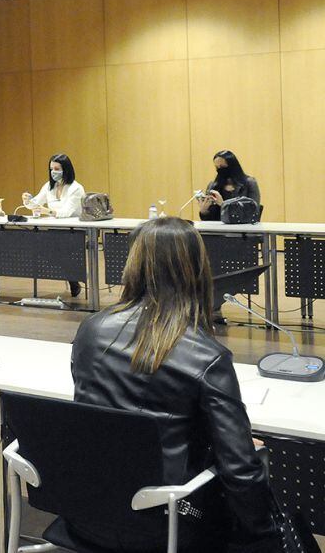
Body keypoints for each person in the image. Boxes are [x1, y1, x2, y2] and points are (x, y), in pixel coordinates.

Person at [70, 217, 281, 551]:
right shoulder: (206, 356)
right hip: (162, 521)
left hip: (84, 510)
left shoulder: (91, 330)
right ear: (197, 269)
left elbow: (109, 416)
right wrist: (268, 534)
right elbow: (240, 471)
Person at [23, 153, 86, 297]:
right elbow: (35, 203)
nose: (53, 172)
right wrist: (27, 200)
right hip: (55, 229)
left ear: (66, 169)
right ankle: (73, 278)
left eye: (57, 169)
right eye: (51, 169)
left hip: (74, 231)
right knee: (42, 247)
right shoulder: (48, 186)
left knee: (56, 248)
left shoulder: (76, 188)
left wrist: (47, 211)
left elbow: (66, 212)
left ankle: (74, 280)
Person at [199, 150, 261, 221]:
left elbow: (253, 211)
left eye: (222, 166)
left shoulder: (249, 183)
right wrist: (204, 211)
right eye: (217, 167)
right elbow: (208, 219)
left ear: (232, 166)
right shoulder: (213, 186)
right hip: (218, 225)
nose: (220, 170)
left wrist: (223, 204)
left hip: (242, 226)